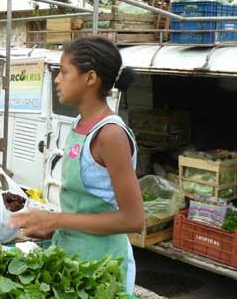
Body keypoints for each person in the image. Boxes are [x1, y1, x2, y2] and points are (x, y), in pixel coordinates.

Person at [9, 36, 144, 294]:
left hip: (103, 268)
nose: (58, 79)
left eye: (64, 72)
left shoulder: (110, 134)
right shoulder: (80, 123)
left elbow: (134, 219)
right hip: (74, 259)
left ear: (90, 78)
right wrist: (50, 227)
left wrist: (57, 220)